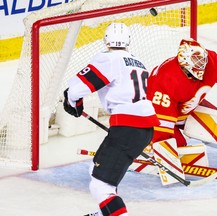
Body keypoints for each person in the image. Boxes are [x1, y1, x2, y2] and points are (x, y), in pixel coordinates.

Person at [63, 22, 159, 216]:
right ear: (128, 41)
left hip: (127, 128)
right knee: (95, 169)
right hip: (144, 128)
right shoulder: (139, 63)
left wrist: (73, 103)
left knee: (100, 186)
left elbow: (75, 90)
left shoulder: (108, 59)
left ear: (105, 40)